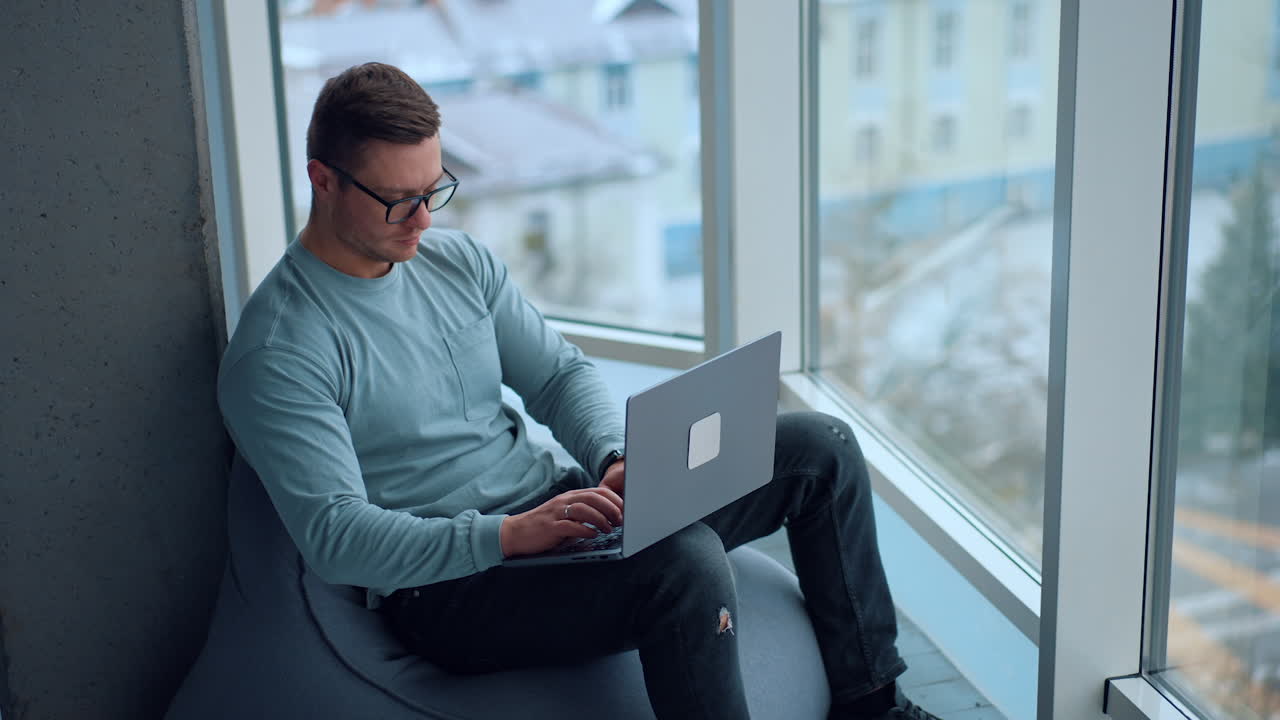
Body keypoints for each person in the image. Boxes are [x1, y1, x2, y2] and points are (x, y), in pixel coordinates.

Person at [217, 61, 941, 720]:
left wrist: (614, 458)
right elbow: (338, 539)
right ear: (323, 180)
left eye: (435, 189)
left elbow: (558, 375)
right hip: (456, 587)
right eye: (397, 201)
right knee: (686, 566)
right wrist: (507, 535)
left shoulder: (456, 263)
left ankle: (873, 706)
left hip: (563, 506)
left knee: (821, 447)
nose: (425, 220)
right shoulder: (282, 350)